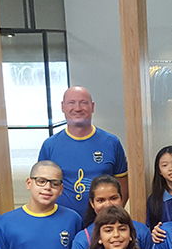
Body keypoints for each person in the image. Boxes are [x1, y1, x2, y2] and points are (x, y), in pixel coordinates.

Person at [38, 86, 129, 218]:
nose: (78, 108)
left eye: (83, 103)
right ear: (63, 107)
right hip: (62, 222)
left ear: (92, 107)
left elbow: (123, 187)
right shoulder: (50, 146)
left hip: (102, 223)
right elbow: (41, 188)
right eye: (71, 103)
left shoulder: (111, 142)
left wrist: (111, 217)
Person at [71, 175, 152, 249]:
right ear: (92, 203)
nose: (108, 204)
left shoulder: (142, 231)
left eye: (113, 198)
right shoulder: (82, 239)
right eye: (101, 200)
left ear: (121, 198)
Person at [146, 146, 172, 228]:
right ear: (159, 171)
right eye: (164, 165)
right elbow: (151, 227)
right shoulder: (154, 199)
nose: (171, 168)